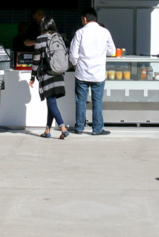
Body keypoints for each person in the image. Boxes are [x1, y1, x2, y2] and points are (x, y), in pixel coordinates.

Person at [69, 7, 116, 135]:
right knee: (97, 102)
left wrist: (75, 64)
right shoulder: (105, 32)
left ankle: (79, 127)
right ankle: (97, 129)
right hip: (98, 74)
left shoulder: (80, 33)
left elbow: (73, 54)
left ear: (85, 19)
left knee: (80, 101)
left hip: (82, 73)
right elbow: (112, 51)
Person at [29, 17, 69, 139]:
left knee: (51, 102)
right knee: (51, 102)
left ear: (43, 26)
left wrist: (32, 77)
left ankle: (63, 128)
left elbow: (36, 61)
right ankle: (47, 130)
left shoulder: (40, 39)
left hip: (47, 74)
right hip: (59, 73)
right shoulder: (59, 37)